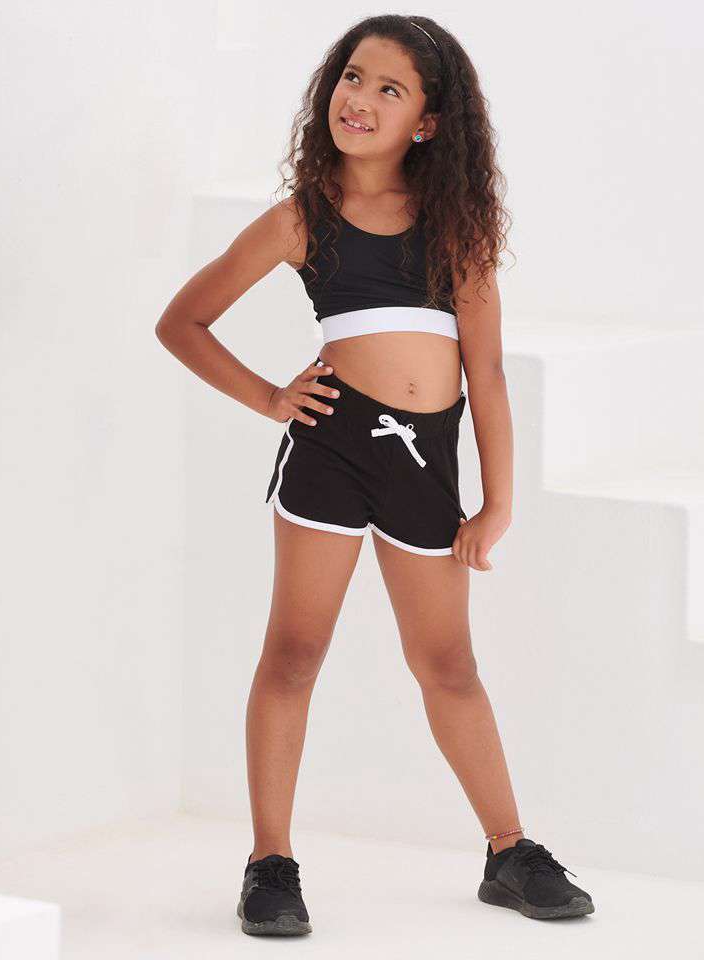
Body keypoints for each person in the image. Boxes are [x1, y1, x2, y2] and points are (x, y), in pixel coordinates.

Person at [156, 14, 594, 937]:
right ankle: (270, 863)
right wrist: (271, 399)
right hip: (330, 450)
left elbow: (487, 374)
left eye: (389, 89)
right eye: (353, 77)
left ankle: (509, 851)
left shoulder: (454, 229)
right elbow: (182, 321)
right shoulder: (300, 218)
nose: (359, 98)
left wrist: (498, 499)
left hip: (424, 464)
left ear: (427, 122)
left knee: (448, 664)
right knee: (293, 653)